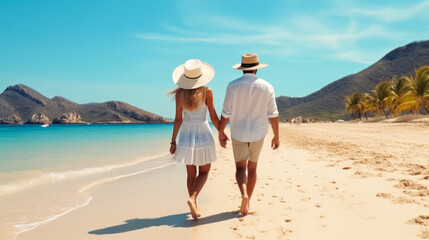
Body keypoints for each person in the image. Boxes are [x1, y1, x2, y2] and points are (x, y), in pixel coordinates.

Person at [218, 53, 279, 215]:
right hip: (259, 133)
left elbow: (226, 112)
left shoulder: (233, 85)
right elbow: (273, 113)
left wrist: (221, 131)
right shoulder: (267, 86)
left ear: (242, 69)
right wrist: (276, 136)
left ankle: (243, 194)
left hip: (238, 131)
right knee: (252, 168)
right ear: (257, 69)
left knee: (240, 168)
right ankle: (248, 202)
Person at [169, 59, 220, 220]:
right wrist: (222, 132)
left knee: (191, 174)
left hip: (186, 134)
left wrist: (173, 141)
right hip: (203, 133)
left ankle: (194, 204)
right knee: (204, 171)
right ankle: (193, 200)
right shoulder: (207, 92)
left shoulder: (179, 94)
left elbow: (178, 119)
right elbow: (212, 115)